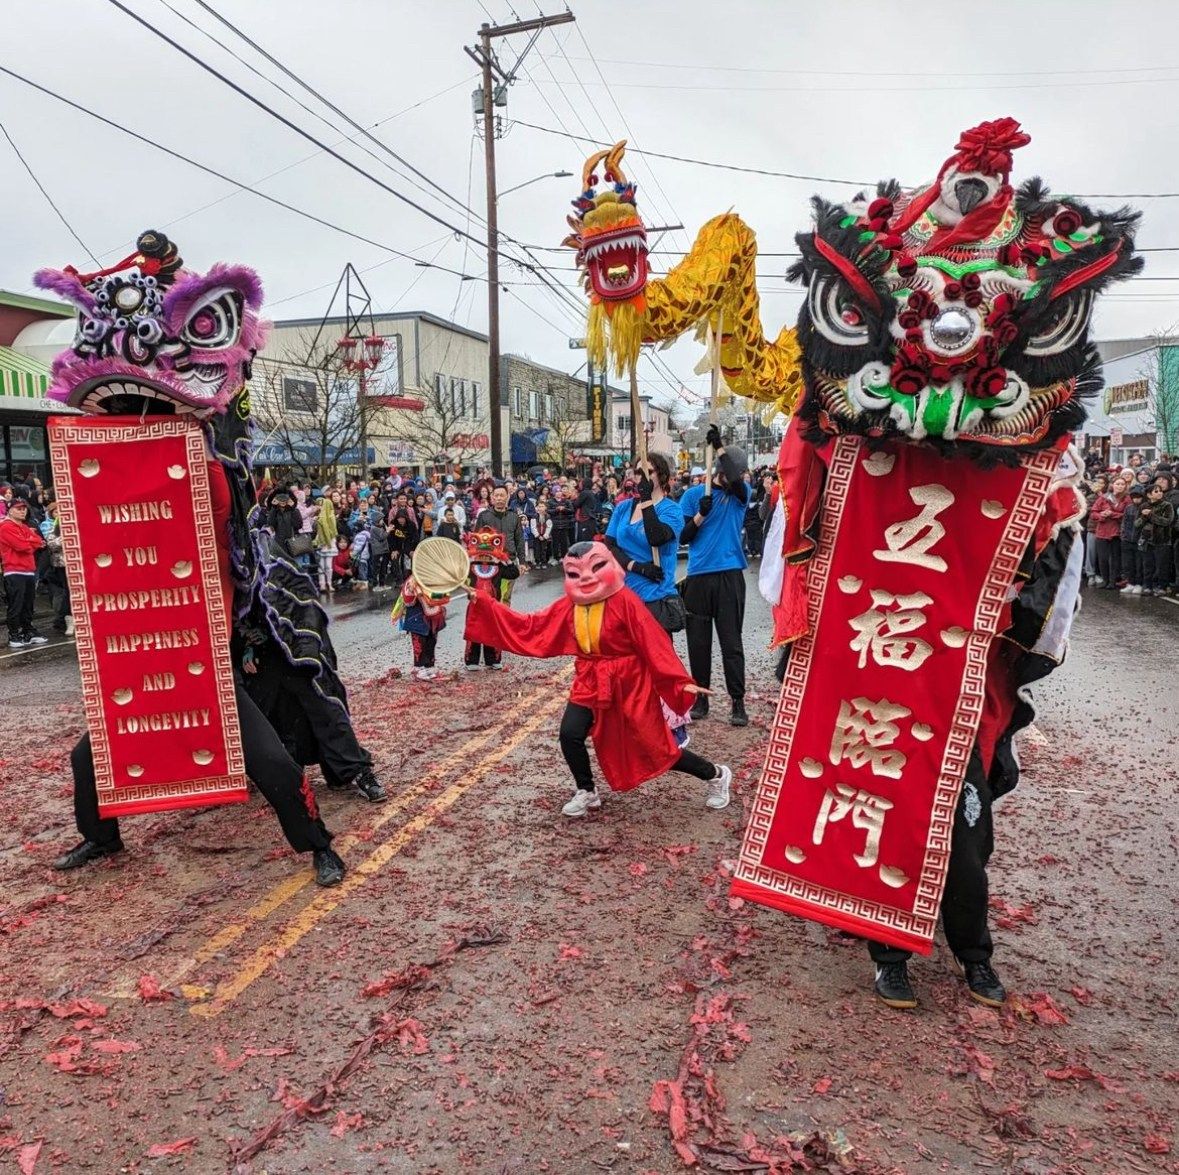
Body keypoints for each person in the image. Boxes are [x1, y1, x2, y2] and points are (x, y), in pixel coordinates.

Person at [463, 540, 732, 817]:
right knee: (570, 733)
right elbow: (531, 626)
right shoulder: (572, 604)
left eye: (596, 567)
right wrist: (485, 603)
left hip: (629, 683)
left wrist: (676, 681)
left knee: (655, 746)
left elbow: (653, 641)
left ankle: (716, 774)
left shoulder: (625, 601)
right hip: (590, 677)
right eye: (575, 574)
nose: (587, 579)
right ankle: (587, 791)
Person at [678, 426, 751, 727]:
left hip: (730, 574)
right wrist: (700, 515)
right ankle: (701, 697)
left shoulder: (739, 494)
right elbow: (684, 536)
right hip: (698, 576)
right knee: (698, 642)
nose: (742, 475)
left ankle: (737, 701)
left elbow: (735, 480)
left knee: (731, 642)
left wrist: (719, 445)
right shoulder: (694, 495)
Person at [1, 496, 48, 648]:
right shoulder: (5, 527)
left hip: (28, 569)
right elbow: (24, 546)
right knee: (16, 604)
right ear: (10, 510)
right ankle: (14, 633)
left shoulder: (24, 527)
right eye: (18, 509)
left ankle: (28, 631)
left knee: (28, 604)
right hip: (14, 570)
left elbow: (40, 541)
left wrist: (30, 542)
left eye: (24, 508)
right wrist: (31, 542)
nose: (22, 511)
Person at [396, 574, 448, 680]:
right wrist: (414, 590)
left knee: (432, 641)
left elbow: (443, 596)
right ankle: (419, 667)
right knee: (420, 643)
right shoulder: (411, 580)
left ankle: (429, 665)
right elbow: (408, 601)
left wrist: (434, 595)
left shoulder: (435, 577)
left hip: (433, 617)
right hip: (417, 618)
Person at [1135, 480, 1176, 595]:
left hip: (1162, 540)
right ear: (1149, 495)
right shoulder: (1143, 506)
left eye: (1160, 491)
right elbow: (1137, 524)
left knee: (1162, 565)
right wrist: (1143, 516)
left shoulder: (1167, 505)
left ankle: (1162, 586)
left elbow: (1167, 521)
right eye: (1156, 491)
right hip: (1147, 540)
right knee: (1148, 565)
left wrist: (1151, 515)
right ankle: (1148, 586)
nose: (1159, 493)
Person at [1089, 475, 1128, 590]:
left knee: (1115, 558)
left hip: (1117, 532)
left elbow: (1128, 515)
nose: (1120, 486)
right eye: (1117, 484)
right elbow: (1093, 513)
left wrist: (1112, 514)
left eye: (1122, 484)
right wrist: (1101, 515)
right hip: (1102, 531)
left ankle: (1112, 581)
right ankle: (1105, 580)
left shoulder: (1127, 499)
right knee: (1103, 557)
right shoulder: (1104, 497)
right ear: (1112, 485)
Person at [368, 515, 391, 588]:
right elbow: (382, 537)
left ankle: (382, 584)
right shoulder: (374, 528)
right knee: (378, 568)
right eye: (381, 520)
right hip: (379, 551)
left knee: (383, 568)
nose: (383, 521)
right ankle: (376, 584)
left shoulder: (380, 527)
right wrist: (388, 531)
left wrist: (387, 530)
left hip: (383, 550)